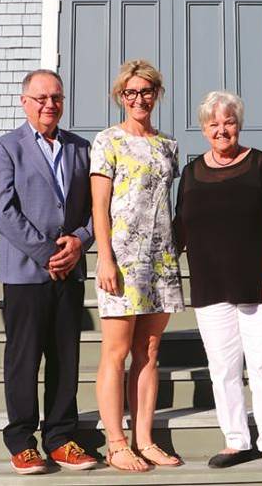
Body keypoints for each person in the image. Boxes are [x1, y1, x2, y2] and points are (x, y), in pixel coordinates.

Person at [0, 69, 100, 475]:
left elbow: (95, 209)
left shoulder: (81, 148)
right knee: (24, 357)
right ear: (24, 102)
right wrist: (47, 252)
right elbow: (1, 209)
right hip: (25, 271)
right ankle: (21, 440)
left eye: (57, 97)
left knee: (65, 358)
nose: (50, 104)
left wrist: (81, 241)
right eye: (41, 98)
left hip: (71, 269)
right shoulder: (4, 148)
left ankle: (61, 437)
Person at [173, 90, 262, 472]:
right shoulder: (190, 173)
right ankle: (236, 441)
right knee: (222, 368)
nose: (221, 130)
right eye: (214, 123)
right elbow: (180, 229)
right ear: (204, 128)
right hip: (210, 288)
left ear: (238, 125)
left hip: (261, 287)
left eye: (228, 122)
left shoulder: (260, 164)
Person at [90, 59, 186, 472]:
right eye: (131, 92)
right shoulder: (107, 141)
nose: (139, 99)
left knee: (149, 350)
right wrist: (105, 258)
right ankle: (115, 442)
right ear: (120, 97)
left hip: (162, 259)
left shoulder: (169, 145)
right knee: (117, 351)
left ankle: (144, 439)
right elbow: (99, 206)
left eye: (146, 91)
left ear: (157, 94)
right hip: (123, 259)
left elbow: (169, 203)